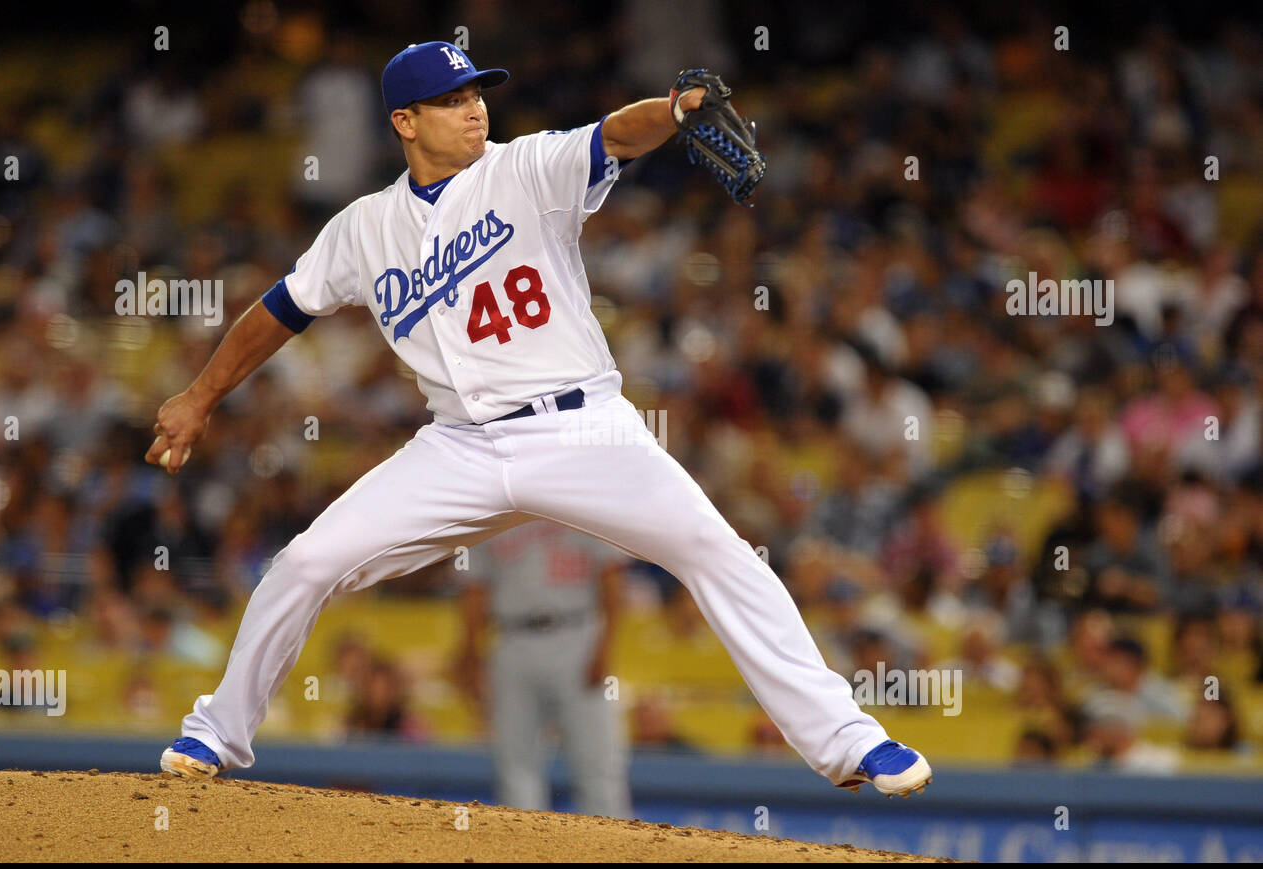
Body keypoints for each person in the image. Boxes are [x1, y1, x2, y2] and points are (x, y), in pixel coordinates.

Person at [151, 40, 931, 798]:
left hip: (580, 427)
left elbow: (614, 135)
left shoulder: (525, 168)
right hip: (457, 444)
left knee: (714, 549)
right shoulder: (363, 227)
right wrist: (200, 397)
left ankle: (849, 740)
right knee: (306, 562)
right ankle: (216, 731)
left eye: (476, 94)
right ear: (404, 122)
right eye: (451, 101)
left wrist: (673, 108)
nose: (474, 110)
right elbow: (280, 309)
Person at [455, 522, 630, 818]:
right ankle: (526, 850)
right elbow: (475, 587)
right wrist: (471, 653)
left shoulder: (582, 500)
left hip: (578, 632)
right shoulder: (493, 508)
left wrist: (605, 647)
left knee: (598, 763)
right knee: (514, 763)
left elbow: (611, 576)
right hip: (511, 637)